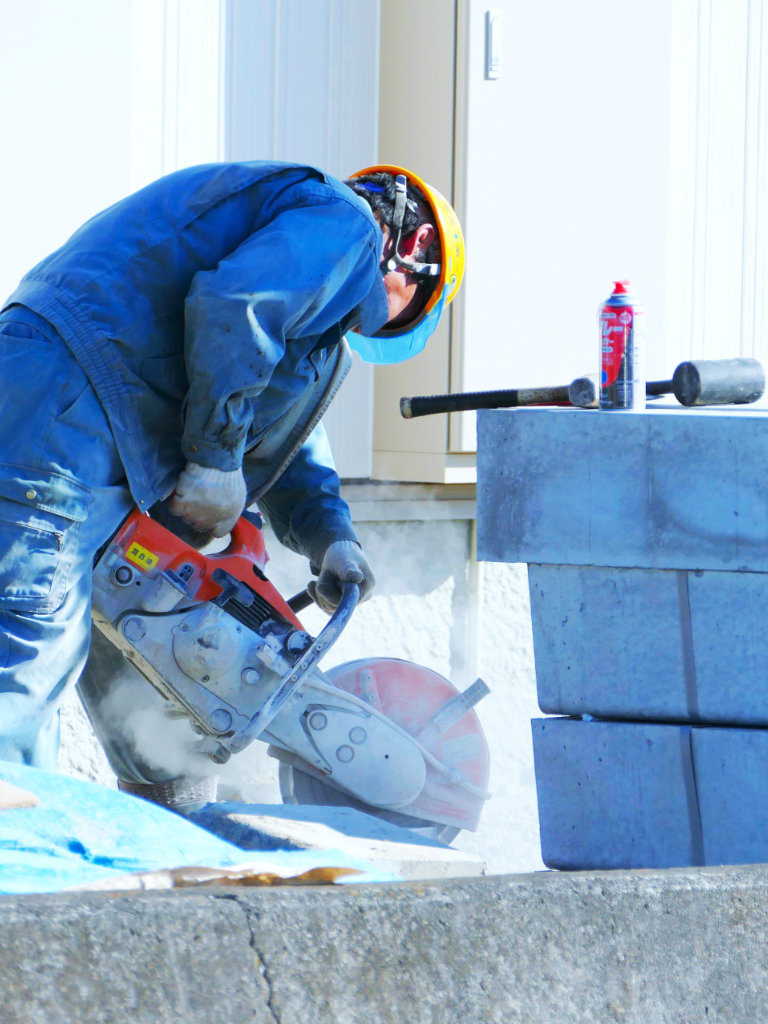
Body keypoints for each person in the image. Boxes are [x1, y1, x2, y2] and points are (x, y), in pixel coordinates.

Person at [0, 160, 465, 806]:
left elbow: (285, 434)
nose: (368, 330)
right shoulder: (348, 226)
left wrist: (330, 537)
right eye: (398, 316)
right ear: (416, 247)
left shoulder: (297, 235)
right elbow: (237, 308)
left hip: (58, 405)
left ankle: (170, 825)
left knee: (138, 672)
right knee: (29, 655)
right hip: (65, 419)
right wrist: (215, 460)